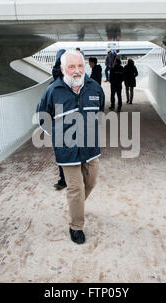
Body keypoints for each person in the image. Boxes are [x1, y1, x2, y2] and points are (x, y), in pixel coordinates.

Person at [37, 50, 105, 244]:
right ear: (62, 69)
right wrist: (58, 137)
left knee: (90, 183)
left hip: (90, 148)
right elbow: (42, 117)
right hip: (67, 151)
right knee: (75, 188)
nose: (77, 71)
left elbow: (99, 111)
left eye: (80, 66)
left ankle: (77, 206)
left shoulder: (94, 88)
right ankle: (76, 226)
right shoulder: (53, 91)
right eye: (72, 67)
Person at [51, 49, 68, 190]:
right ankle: (75, 176)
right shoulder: (78, 79)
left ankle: (63, 179)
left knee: (61, 150)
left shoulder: (53, 86)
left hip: (59, 122)